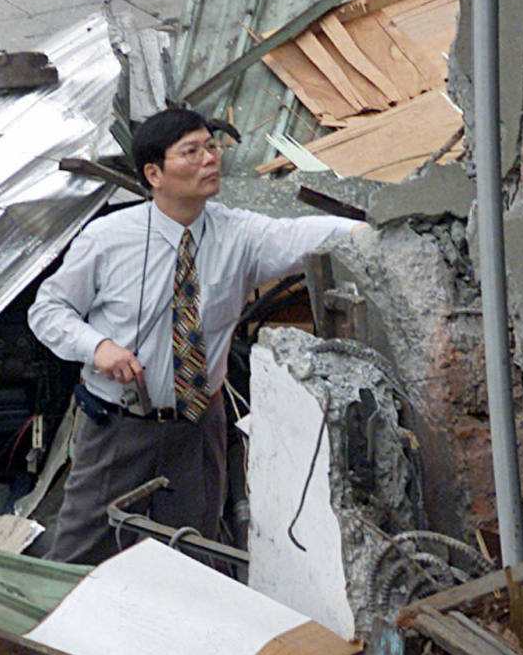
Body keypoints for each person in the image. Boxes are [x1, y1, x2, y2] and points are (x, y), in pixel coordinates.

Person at [28, 107, 361, 564]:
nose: (210, 159)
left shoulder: (237, 234)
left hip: (198, 428)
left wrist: (370, 231)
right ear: (154, 173)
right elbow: (48, 310)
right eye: (191, 151)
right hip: (118, 426)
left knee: (192, 553)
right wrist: (98, 347)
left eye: (211, 147)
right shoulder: (107, 239)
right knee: (80, 554)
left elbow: (300, 235)